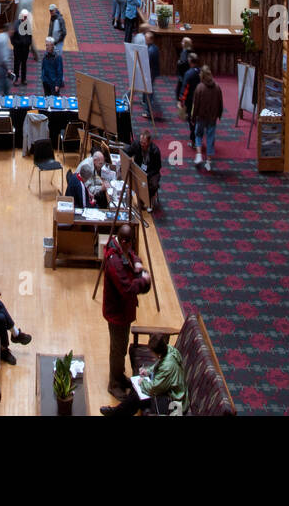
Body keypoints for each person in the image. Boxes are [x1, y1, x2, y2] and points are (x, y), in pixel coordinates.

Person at [102, 224, 150, 398]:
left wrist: (136, 261)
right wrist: (144, 281)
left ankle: (119, 376)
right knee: (117, 350)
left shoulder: (119, 248)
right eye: (130, 242)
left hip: (124, 312)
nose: (131, 246)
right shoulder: (114, 260)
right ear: (123, 241)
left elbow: (130, 255)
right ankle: (114, 384)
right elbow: (127, 289)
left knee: (120, 348)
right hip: (117, 314)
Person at [100, 333, 187, 417]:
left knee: (138, 393)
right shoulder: (168, 350)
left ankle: (116, 412)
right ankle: (118, 412)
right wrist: (148, 371)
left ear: (158, 354)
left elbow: (153, 388)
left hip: (174, 404)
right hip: (168, 391)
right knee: (136, 392)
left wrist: (143, 383)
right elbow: (160, 364)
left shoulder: (167, 367)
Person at [191, 64, 224, 173]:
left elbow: (195, 105)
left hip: (201, 117)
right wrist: (219, 114)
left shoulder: (200, 88)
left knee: (198, 135)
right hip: (212, 118)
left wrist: (193, 116)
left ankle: (199, 154)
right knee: (210, 138)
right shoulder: (217, 87)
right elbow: (220, 103)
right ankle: (209, 162)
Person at [125, 129, 163, 210]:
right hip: (138, 169)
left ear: (149, 142)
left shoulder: (155, 151)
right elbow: (127, 152)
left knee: (154, 185)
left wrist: (146, 175)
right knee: (130, 177)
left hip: (151, 172)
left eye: (144, 143)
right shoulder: (136, 144)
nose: (142, 144)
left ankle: (148, 199)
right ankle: (131, 200)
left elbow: (157, 168)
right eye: (141, 142)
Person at [179, 52, 201, 146]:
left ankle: (194, 140)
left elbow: (185, 88)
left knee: (192, 120)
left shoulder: (189, 73)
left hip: (191, 101)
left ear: (190, 61)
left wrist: (182, 100)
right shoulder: (201, 72)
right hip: (201, 100)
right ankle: (197, 138)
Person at [12, 6, 33, 85]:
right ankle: (16, 78)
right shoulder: (15, 24)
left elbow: (30, 36)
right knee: (16, 64)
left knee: (24, 63)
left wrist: (29, 43)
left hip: (25, 49)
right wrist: (16, 44)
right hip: (17, 48)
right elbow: (12, 37)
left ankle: (23, 79)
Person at [0, 30, 14, 95]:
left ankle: (6, 96)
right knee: (1, 85)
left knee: (5, 85)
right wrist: (8, 70)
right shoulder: (4, 40)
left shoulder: (0, 36)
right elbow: (4, 59)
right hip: (2, 67)